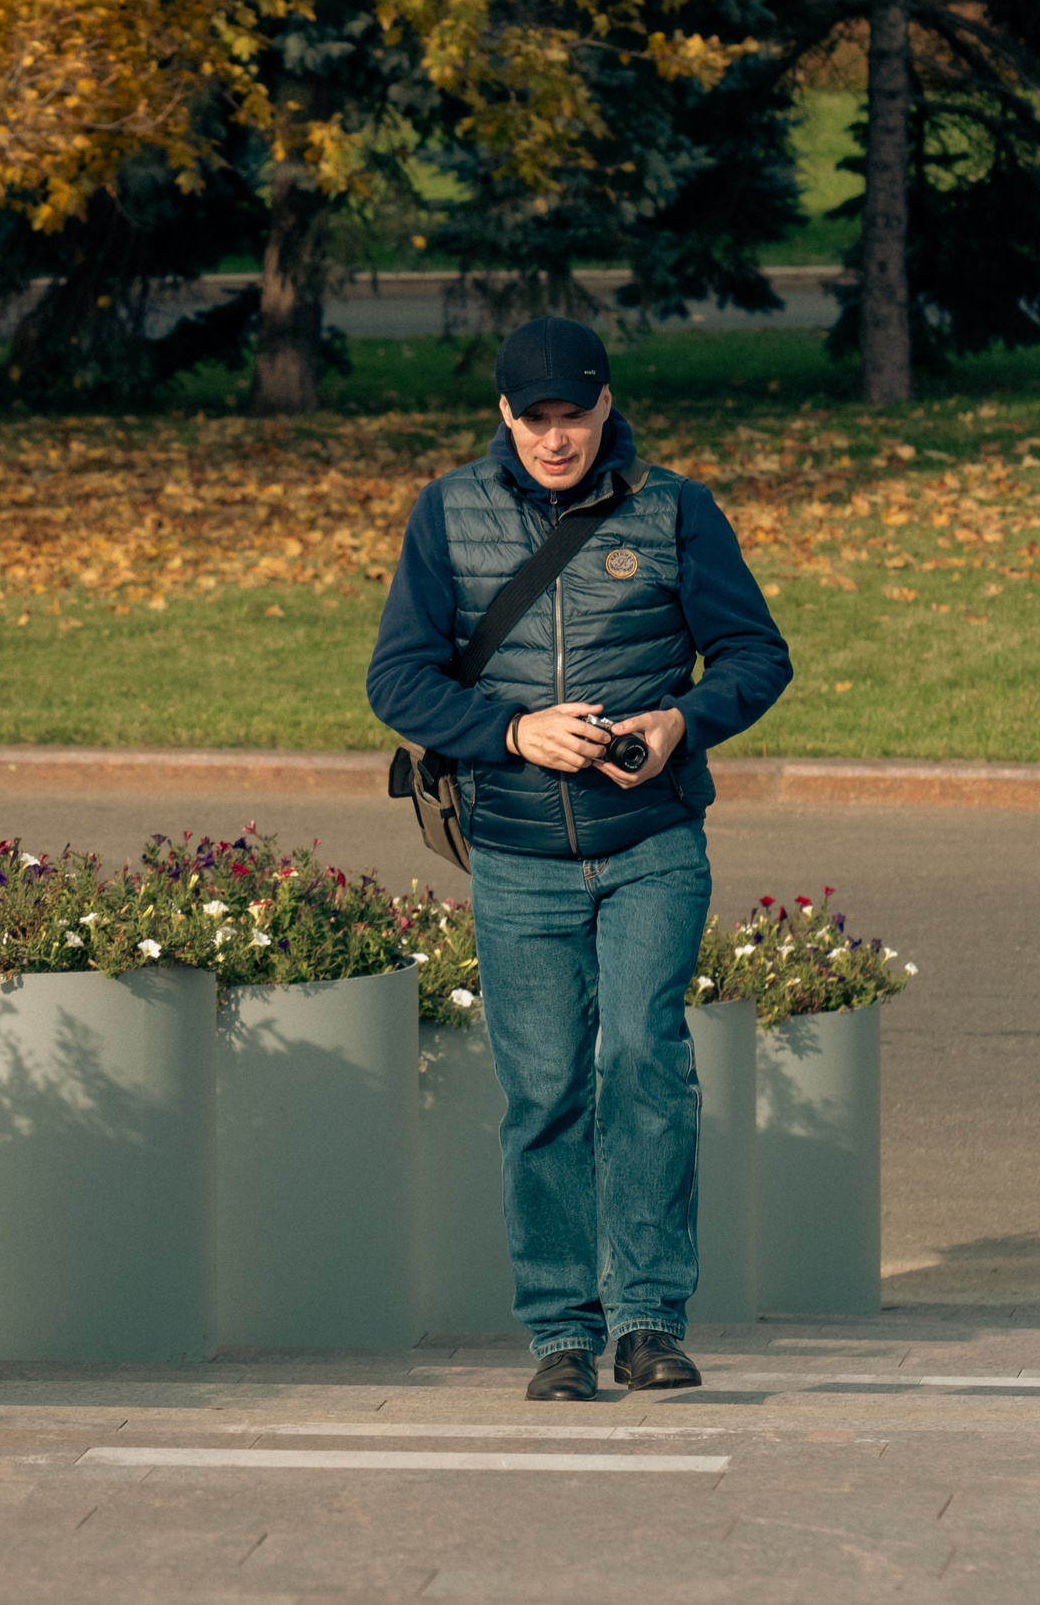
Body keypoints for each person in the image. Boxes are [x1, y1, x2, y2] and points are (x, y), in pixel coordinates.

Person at [367, 317, 792, 1402]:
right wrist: (512, 731)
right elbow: (398, 679)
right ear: (504, 414)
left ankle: (648, 1322)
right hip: (516, 854)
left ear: (606, 406)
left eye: (575, 414)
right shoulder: (447, 512)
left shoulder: (675, 509)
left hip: (650, 842)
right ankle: (559, 1333)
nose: (556, 438)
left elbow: (755, 653)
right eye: (536, 417)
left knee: (644, 1058)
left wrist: (681, 722)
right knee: (545, 1091)